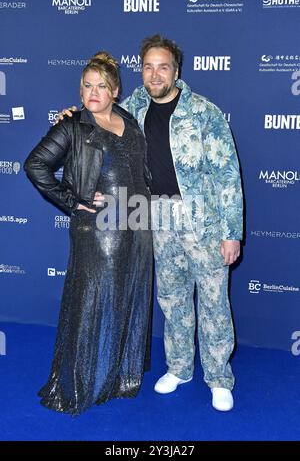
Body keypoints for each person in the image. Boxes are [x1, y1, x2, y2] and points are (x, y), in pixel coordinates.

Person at [59, 35, 243, 412]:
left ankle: (219, 378)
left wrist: (231, 233)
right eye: (148, 66)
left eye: (163, 66)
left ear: (176, 71)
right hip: (153, 218)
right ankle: (179, 368)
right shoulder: (133, 108)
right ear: (140, 70)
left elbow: (227, 175)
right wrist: (71, 118)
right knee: (172, 300)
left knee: (212, 302)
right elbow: (98, 115)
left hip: (202, 222)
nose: (155, 73)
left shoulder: (204, 112)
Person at [24, 52, 153, 416]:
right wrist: (72, 199)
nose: (93, 92)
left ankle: (117, 377)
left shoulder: (128, 118)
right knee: (93, 302)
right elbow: (35, 165)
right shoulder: (73, 126)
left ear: (115, 92)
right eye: (87, 86)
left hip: (137, 226)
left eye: (101, 86)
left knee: (127, 298)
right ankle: (85, 380)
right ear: (79, 90)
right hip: (99, 230)